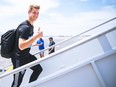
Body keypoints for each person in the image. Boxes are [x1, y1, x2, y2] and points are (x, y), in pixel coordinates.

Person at [11, 4, 43, 87]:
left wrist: (34, 42)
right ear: (29, 12)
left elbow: (26, 41)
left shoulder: (31, 26)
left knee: (38, 69)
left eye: (37, 13)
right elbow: (21, 46)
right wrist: (37, 36)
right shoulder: (25, 27)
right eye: (34, 13)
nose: (36, 15)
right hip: (19, 59)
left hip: (26, 56)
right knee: (16, 83)